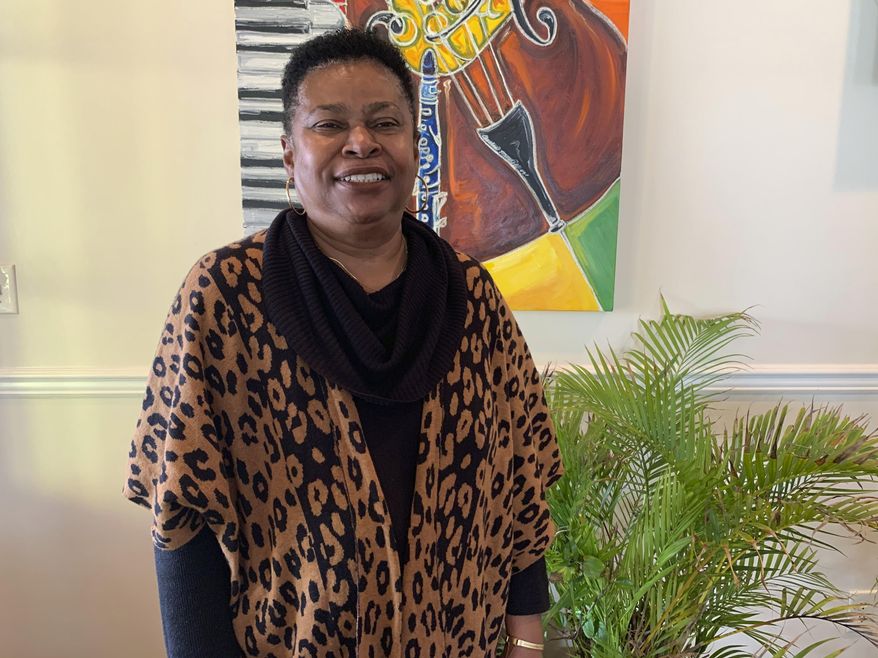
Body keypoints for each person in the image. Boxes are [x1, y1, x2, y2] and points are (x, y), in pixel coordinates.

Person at [123, 28, 563, 658]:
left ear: (416, 144)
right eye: (329, 124)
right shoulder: (223, 297)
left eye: (385, 122)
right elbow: (182, 515)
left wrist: (524, 640)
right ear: (287, 152)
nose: (362, 143)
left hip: (456, 641)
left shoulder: (471, 297)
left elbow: (522, 480)